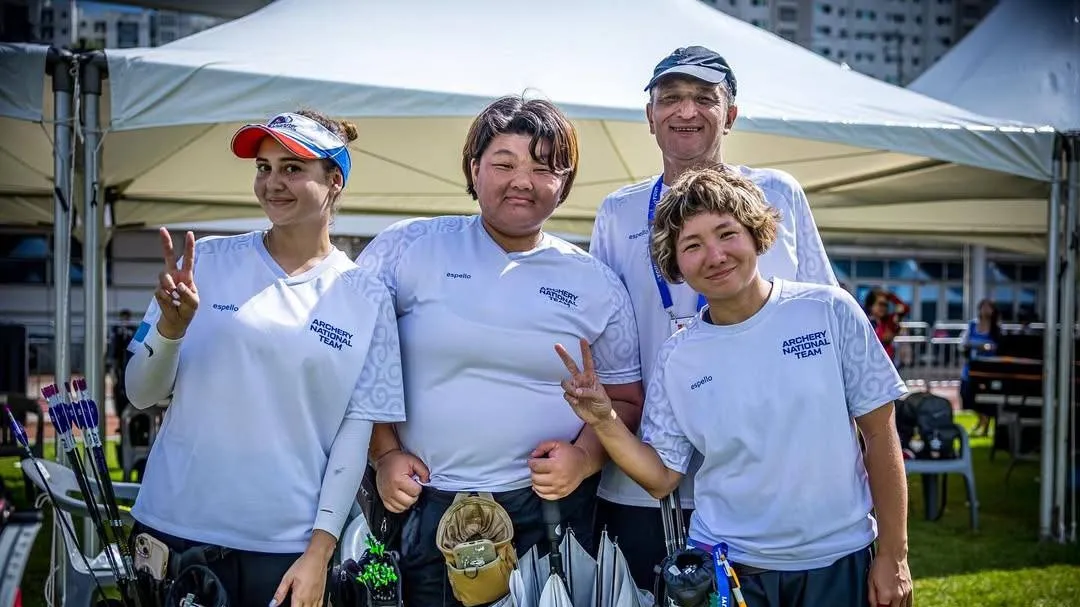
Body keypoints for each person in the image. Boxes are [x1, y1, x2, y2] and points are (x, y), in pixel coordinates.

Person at [557, 168, 913, 607]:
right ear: (675, 264)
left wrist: (894, 554)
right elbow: (661, 477)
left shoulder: (829, 310)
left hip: (838, 561)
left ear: (756, 233)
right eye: (692, 245)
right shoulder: (677, 357)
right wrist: (604, 419)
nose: (715, 255)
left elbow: (880, 435)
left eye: (727, 234)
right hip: (731, 573)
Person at [355, 95, 644, 607]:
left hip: (548, 516)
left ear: (565, 182)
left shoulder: (598, 283)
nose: (522, 181)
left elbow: (624, 398)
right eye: (504, 164)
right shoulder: (407, 247)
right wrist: (384, 453)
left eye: (543, 168)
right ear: (474, 168)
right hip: (420, 505)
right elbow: (357, 364)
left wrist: (583, 458)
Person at [124, 110, 405, 607]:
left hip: (285, 550)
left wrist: (320, 551)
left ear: (334, 181)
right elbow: (140, 393)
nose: (273, 182)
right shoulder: (205, 261)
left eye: (292, 168)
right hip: (174, 530)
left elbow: (354, 436)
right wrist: (170, 330)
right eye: (263, 167)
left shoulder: (368, 294)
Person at [589, 45, 838, 589]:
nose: (686, 111)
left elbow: (824, 325)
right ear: (650, 116)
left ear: (731, 114)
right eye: (670, 99)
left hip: (768, 478)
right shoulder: (618, 211)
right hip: (647, 478)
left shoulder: (777, 194)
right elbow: (607, 346)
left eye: (705, 98)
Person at [960, 299, 1002, 436]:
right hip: (971, 368)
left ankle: (984, 423)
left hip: (989, 370)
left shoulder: (997, 329)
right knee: (966, 395)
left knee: (986, 398)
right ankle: (981, 420)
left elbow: (1000, 347)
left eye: (989, 307)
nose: (986, 310)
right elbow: (963, 343)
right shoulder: (972, 325)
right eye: (983, 307)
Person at [864, 288, 910, 363]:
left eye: (886, 305)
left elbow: (904, 308)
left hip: (888, 362)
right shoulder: (865, 321)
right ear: (871, 305)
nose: (884, 308)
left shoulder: (889, 320)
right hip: (870, 361)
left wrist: (890, 295)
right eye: (880, 304)